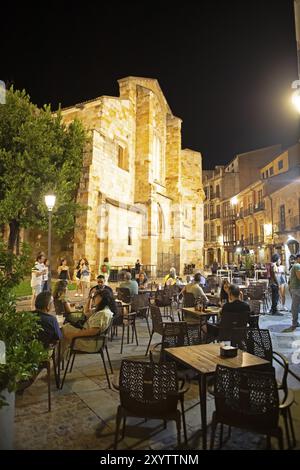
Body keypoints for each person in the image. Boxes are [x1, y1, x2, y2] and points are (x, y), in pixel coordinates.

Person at [62, 289, 113, 353]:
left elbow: (93, 332)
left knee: (63, 331)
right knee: (65, 328)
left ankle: (58, 358)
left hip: (90, 343)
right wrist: (90, 298)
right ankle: (60, 357)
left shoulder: (103, 313)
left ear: (101, 298)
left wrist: (74, 334)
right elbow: (86, 312)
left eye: (95, 297)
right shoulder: (102, 310)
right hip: (90, 338)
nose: (94, 298)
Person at [282, 252, 300, 333]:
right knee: (295, 306)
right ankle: (294, 323)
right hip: (297, 288)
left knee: (295, 306)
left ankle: (295, 322)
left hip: (294, 288)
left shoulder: (294, 266)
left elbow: (289, 280)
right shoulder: (297, 265)